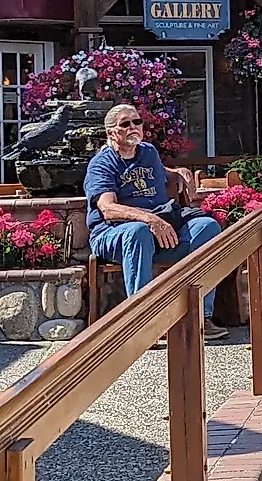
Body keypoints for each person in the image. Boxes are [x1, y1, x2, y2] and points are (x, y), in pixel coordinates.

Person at [84, 104, 225, 337]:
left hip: (159, 230)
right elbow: (107, 209)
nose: (133, 127)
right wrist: (150, 219)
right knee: (137, 232)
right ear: (111, 132)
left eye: (137, 122)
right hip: (114, 233)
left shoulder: (148, 152)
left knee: (208, 227)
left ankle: (200, 317)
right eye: (125, 124)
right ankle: (142, 324)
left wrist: (178, 172)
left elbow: (160, 170)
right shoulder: (101, 164)